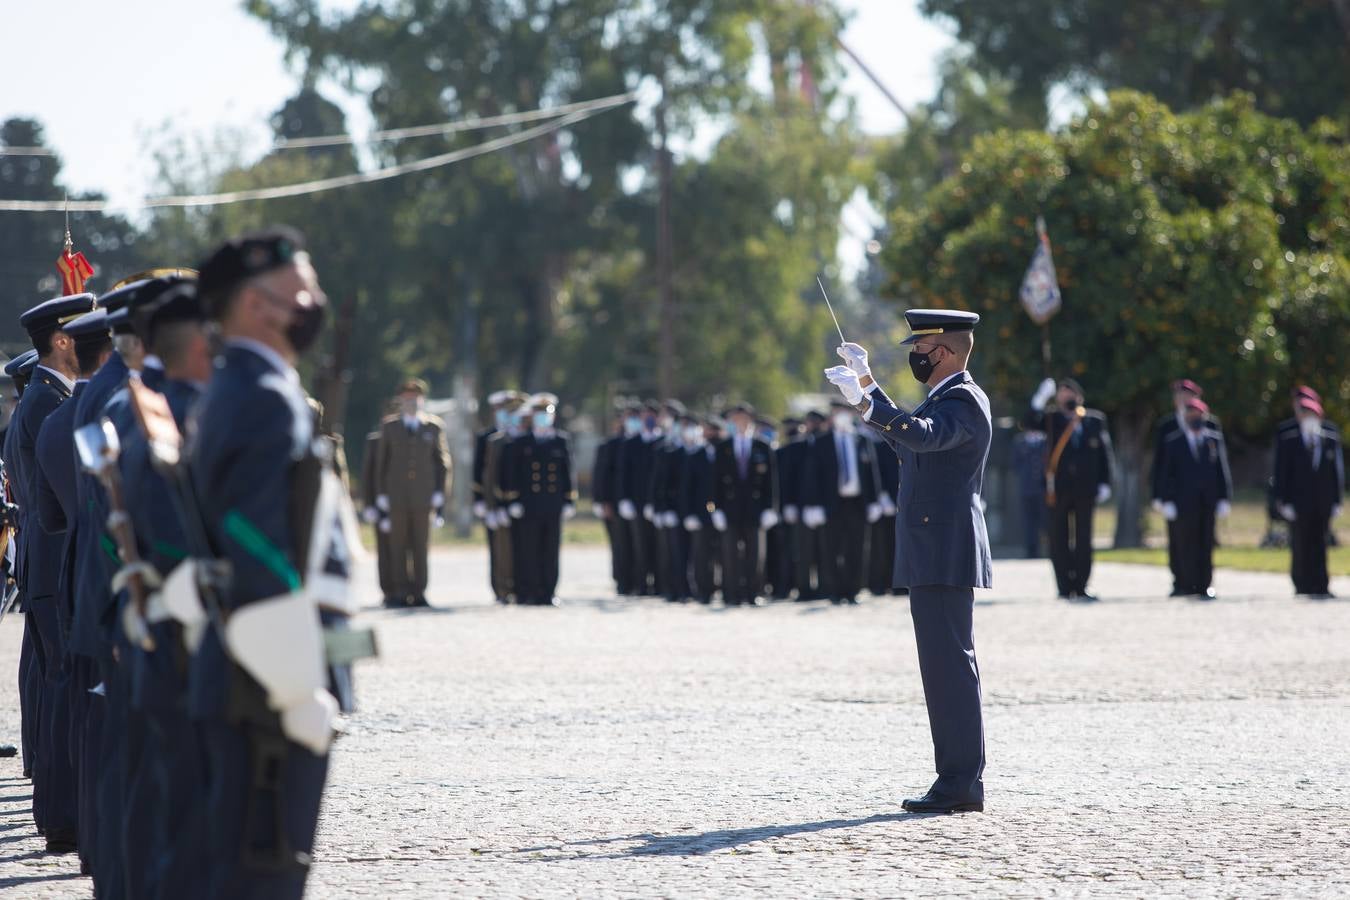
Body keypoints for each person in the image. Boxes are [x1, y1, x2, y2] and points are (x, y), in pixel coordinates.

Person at [190, 226, 356, 899]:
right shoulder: (260, 395)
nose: (316, 301)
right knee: (264, 872)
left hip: (263, 672)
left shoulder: (249, 384)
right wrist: (294, 685)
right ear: (259, 304)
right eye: (303, 289)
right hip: (266, 690)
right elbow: (254, 542)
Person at [825, 308, 991, 815]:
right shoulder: (947, 398)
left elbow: (920, 434)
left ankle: (961, 782)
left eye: (920, 349)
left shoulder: (962, 400)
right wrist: (869, 386)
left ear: (942, 352)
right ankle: (956, 779)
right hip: (934, 546)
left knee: (949, 670)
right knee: (941, 668)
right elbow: (909, 433)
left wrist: (865, 401)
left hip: (944, 548)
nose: (915, 356)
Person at [116, 282, 215, 896]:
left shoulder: (158, 406)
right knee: (185, 813)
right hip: (186, 638)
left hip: (171, 630)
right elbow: (177, 541)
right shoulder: (164, 414)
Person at [9, 292, 92, 851]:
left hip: (46, 563)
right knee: (65, 692)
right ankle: (61, 817)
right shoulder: (45, 403)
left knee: (59, 688)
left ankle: (59, 811)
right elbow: (60, 500)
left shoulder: (42, 397)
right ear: (63, 341)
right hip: (54, 562)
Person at [32, 308, 112, 873]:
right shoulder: (117, 413)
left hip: (72, 574)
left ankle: (79, 828)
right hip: (119, 576)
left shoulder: (59, 421)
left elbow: (50, 515)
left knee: (76, 703)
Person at [1031, 377, 1114, 601]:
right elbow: (1029, 422)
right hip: (1057, 489)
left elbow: (1104, 453)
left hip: (1086, 488)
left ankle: (1082, 584)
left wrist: (1105, 482)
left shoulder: (1094, 420)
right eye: (1061, 394)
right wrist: (1039, 399)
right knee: (1058, 538)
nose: (1066, 397)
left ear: (1079, 397)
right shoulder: (1051, 419)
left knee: (1084, 538)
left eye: (1070, 393)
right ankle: (1064, 586)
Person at [372, 378, 451, 608]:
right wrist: (381, 494)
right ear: (400, 400)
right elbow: (381, 463)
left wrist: (440, 492)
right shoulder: (390, 427)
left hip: (423, 497)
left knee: (420, 546)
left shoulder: (433, 426)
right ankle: (398, 591)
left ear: (422, 400)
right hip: (396, 497)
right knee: (397, 546)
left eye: (415, 398)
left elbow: (442, 463)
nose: (411, 402)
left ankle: (418, 592)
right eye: (407, 398)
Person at [802, 399, 879, 605]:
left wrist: (874, 501)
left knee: (857, 547)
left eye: (846, 411)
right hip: (832, 502)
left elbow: (871, 473)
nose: (842, 416)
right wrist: (813, 504)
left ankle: (853, 590)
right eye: (837, 412)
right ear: (832, 416)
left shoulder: (862, 439)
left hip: (857, 502)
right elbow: (813, 475)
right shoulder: (821, 441)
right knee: (831, 548)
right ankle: (834, 590)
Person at [1155, 397, 1232, 599]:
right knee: (1184, 544)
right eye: (1191, 415)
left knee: (1206, 544)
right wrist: (1165, 499)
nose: (1195, 419)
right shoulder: (1174, 441)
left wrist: (1224, 498)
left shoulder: (1213, 440)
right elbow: (1165, 473)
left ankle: (1204, 584)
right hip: (1182, 502)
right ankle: (1185, 583)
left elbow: (1221, 471)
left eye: (1198, 415)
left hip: (1207, 501)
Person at [504, 393, 575, 605]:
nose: (543, 417)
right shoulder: (522, 442)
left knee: (550, 550)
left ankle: (548, 592)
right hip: (529, 504)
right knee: (528, 550)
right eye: (539, 413)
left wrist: (569, 499)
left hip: (553, 504)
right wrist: (513, 499)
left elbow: (567, 472)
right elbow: (513, 473)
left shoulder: (560, 440)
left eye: (547, 413)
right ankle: (528, 591)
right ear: (532, 416)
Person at [1274, 388, 1343, 598]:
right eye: (1306, 414)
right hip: (1298, 502)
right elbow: (1281, 472)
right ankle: (1302, 583)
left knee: (1320, 543)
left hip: (1322, 503)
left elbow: (1336, 473)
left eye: (1314, 415)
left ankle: (1321, 584)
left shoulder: (1329, 439)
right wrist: (1283, 500)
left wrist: (1337, 500)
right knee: (1300, 543)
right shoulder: (1290, 440)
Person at [710, 403, 777, 606]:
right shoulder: (722, 448)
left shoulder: (762, 446)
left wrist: (771, 509)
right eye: (736, 420)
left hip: (755, 509)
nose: (740, 423)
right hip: (729, 509)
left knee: (755, 555)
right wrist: (713, 510)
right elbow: (713, 483)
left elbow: (772, 483)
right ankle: (731, 594)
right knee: (729, 555)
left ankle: (753, 592)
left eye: (744, 419)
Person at [678, 416, 719, 604]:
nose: (711, 434)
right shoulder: (695, 455)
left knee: (724, 554)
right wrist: (688, 514)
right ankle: (704, 591)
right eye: (708, 430)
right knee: (701, 555)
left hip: (723, 512)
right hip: (701, 512)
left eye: (715, 430)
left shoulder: (725, 451)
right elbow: (687, 488)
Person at [1012, 410, 1048, 559]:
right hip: (1026, 487)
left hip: (1044, 488)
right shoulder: (1020, 442)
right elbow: (1015, 464)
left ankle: (1048, 550)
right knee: (1029, 522)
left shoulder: (1046, 441)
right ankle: (1031, 550)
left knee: (1045, 520)